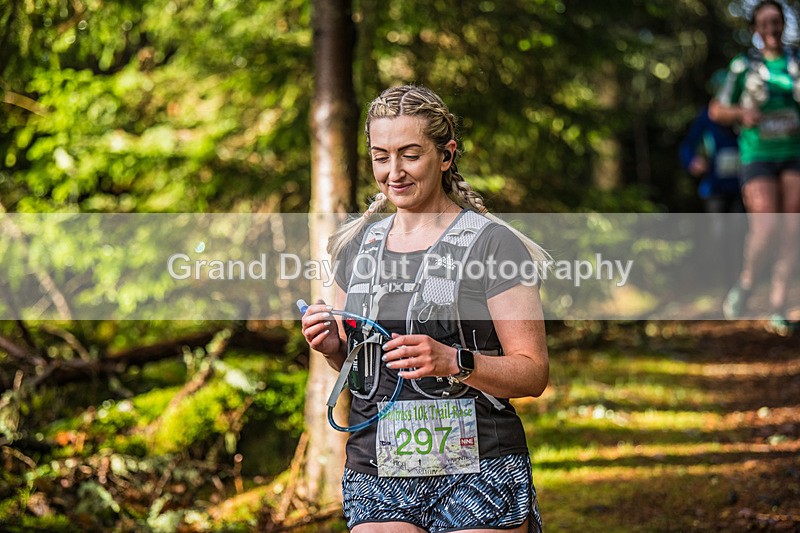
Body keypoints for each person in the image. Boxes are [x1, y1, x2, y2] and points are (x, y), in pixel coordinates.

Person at [300, 85, 549, 532]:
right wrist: (333, 346)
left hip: (479, 468)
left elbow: (533, 373)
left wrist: (453, 361)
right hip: (378, 470)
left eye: (410, 155)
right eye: (380, 157)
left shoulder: (492, 244)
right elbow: (358, 369)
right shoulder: (355, 247)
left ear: (446, 155)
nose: (393, 172)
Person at [710, 0, 800, 335]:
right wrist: (741, 114)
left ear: (783, 24)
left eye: (776, 21)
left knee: (792, 230)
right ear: (755, 29)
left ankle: (779, 306)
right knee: (767, 228)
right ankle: (746, 283)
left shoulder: (796, 62)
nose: (771, 28)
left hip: (794, 153)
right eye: (764, 23)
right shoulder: (743, 66)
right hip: (758, 155)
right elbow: (716, 109)